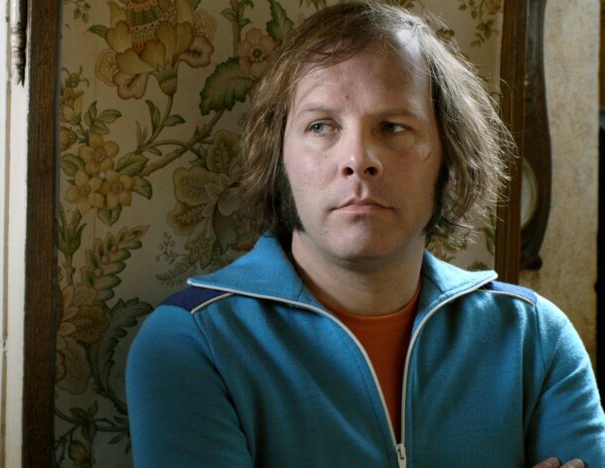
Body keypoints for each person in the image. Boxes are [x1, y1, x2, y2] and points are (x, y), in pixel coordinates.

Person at [125, 2, 605, 467]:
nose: (358, 159)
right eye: (321, 126)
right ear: (279, 156)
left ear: (448, 156)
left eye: (393, 127)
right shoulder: (193, 342)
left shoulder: (535, 338)